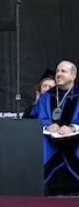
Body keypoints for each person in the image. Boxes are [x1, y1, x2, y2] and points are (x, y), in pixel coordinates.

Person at [37, 60, 79, 195]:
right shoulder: (46, 97)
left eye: (63, 71)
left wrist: (73, 127)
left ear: (73, 76)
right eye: (58, 71)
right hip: (51, 146)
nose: (59, 74)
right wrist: (48, 126)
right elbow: (38, 118)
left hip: (75, 146)